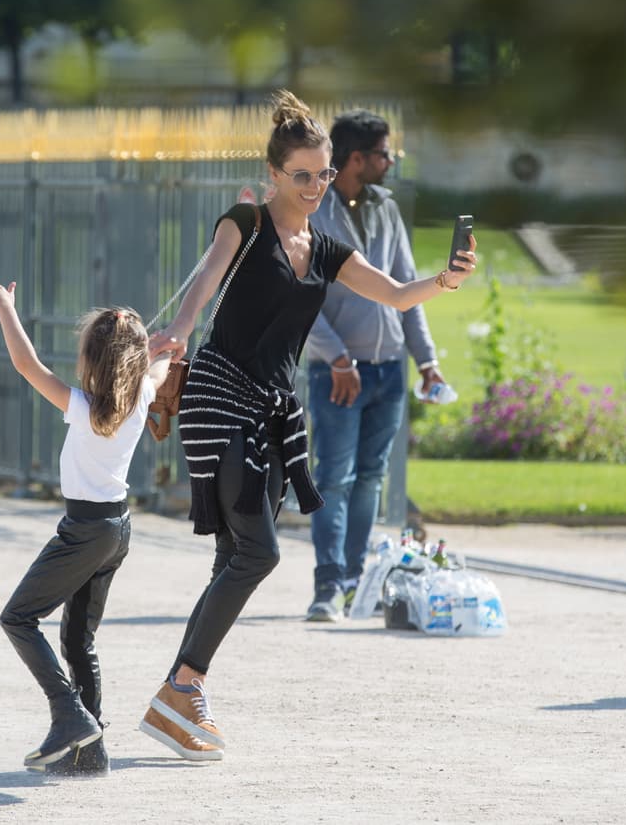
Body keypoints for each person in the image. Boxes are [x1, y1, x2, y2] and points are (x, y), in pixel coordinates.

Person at [140, 90, 477, 760]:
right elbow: (205, 282)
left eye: (324, 174)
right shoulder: (246, 222)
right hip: (219, 396)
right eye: (304, 176)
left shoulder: (322, 247)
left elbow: (394, 293)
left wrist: (445, 278)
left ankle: (177, 697)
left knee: (231, 556)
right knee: (259, 552)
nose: (318, 186)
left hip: (270, 407)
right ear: (274, 175)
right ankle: (183, 686)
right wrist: (176, 332)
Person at [0, 282, 170, 776]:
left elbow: (27, 365)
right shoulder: (143, 395)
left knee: (18, 618)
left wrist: (6, 309)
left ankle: (69, 716)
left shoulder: (84, 408)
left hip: (84, 530)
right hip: (117, 529)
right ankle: (91, 750)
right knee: (78, 641)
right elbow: (160, 366)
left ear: (92, 360)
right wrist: (166, 347)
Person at [302, 110, 447, 622]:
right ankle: (327, 587)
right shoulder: (314, 212)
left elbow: (407, 285)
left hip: (388, 371)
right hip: (337, 372)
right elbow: (303, 304)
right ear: (357, 158)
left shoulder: (385, 207)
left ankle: (354, 583)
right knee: (333, 478)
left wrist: (426, 360)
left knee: (370, 480)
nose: (392, 162)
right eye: (385, 153)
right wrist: (337, 358)